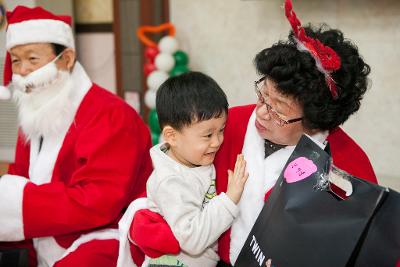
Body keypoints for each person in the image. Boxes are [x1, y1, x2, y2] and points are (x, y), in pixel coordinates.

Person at [124, 0, 380, 266]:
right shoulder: (226, 125)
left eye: (277, 109)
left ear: (315, 121)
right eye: (263, 94)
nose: (260, 112)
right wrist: (143, 216)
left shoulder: (348, 167)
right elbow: (170, 175)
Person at [0, 6, 153, 267]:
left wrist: (18, 204)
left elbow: (97, 202)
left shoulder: (112, 116)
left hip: (109, 236)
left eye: (33, 59)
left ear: (67, 59)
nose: (22, 70)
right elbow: (20, 180)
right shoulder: (35, 113)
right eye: (16, 60)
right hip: (49, 236)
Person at [118, 72, 248, 267]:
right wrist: (229, 200)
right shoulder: (171, 181)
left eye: (221, 130)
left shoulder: (192, 160)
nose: (217, 141)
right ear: (172, 136)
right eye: (208, 135)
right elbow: (192, 240)